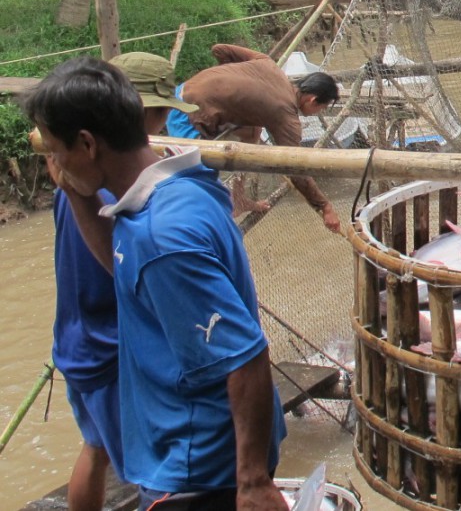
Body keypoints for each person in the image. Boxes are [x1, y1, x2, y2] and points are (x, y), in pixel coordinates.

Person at [25, 57, 288, 511]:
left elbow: (246, 355)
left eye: (55, 150)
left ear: (86, 144)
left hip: (198, 465)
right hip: (191, 448)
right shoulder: (176, 188)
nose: (54, 161)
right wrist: (76, 194)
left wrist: (252, 482)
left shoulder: (163, 237)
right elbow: (130, 274)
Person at [48, 52, 197, 511]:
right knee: (152, 474)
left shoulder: (75, 176)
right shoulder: (114, 190)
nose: (166, 123)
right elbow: (131, 274)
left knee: (95, 450)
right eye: (160, 114)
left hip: (76, 340)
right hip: (113, 351)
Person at [166, 43, 342, 232]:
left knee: (253, 130)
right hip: (187, 114)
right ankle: (186, 229)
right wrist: (325, 206)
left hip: (183, 89)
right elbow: (294, 167)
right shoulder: (285, 116)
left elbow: (219, 49)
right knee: (195, 182)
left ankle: (239, 197)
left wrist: (227, 83)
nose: (318, 112)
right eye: (321, 108)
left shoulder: (268, 64)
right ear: (312, 100)